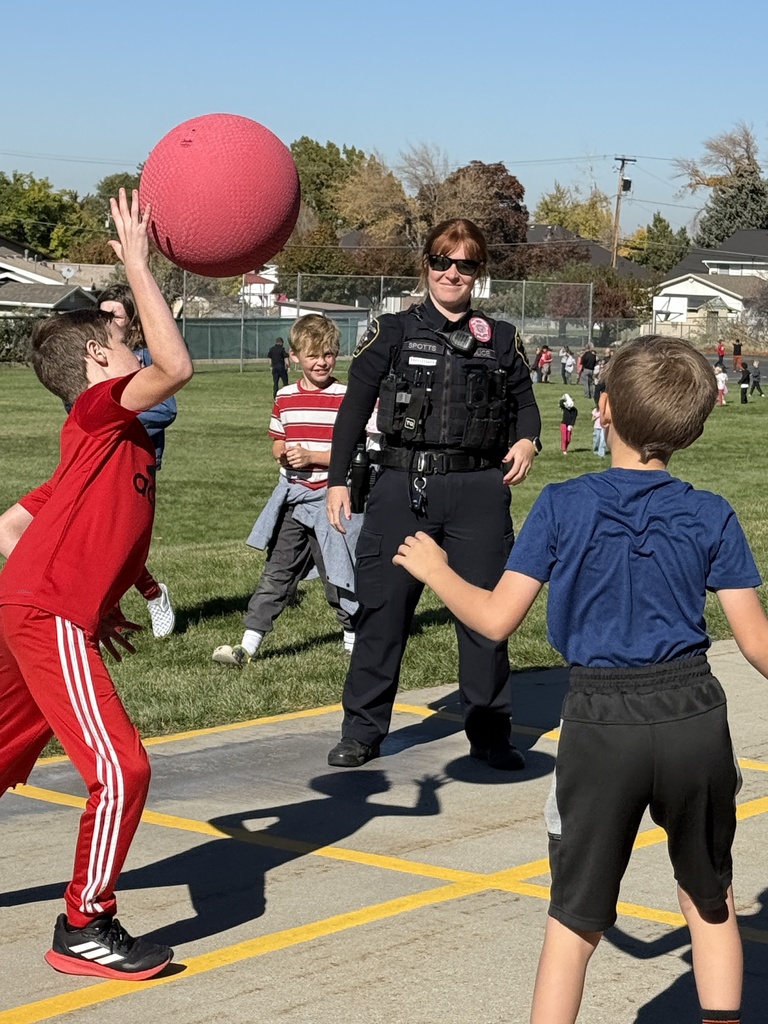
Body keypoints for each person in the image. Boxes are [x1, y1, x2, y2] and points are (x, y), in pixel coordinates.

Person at [393, 334, 766, 1024]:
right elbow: (758, 645)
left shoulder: (563, 506)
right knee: (710, 901)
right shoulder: (711, 512)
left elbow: (497, 620)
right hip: (693, 719)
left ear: (602, 410)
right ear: (693, 427)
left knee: (574, 919)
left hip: (601, 723)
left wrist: (438, 571)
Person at [0, 189, 193, 980]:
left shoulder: (104, 448)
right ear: (96, 367)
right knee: (122, 771)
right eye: (124, 344)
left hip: (35, 608)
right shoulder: (96, 415)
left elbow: (13, 528)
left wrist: (99, 595)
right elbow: (177, 366)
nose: (140, 355)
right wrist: (137, 264)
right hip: (45, 613)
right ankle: (85, 923)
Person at [325, 217, 541, 770]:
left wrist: (528, 441)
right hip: (402, 487)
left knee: (484, 617)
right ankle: (363, 729)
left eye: (465, 264)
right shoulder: (392, 331)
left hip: (478, 490)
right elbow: (354, 407)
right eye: (442, 261)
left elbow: (526, 405)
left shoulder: (504, 340)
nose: (452, 273)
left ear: (479, 273)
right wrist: (336, 480)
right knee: (383, 612)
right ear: (426, 266)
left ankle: (491, 733)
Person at [212, 315, 357, 667]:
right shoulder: (285, 396)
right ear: (294, 357)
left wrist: (313, 456)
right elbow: (278, 438)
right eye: (313, 356)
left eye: (329, 354)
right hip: (293, 499)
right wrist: (282, 452)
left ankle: (355, 639)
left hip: (333, 502)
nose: (322, 362)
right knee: (277, 573)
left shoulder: (348, 397)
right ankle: (248, 645)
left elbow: (356, 452)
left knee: (337, 573)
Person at [98, 283, 176, 638]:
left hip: (136, 465)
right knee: (100, 539)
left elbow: (165, 410)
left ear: (130, 321)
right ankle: (106, 611)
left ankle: (154, 594)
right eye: (101, 313)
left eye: (113, 314)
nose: (106, 320)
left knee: (121, 542)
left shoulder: (145, 359)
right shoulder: (96, 359)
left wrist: (117, 416)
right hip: (98, 461)